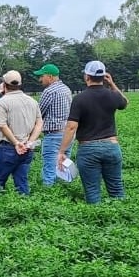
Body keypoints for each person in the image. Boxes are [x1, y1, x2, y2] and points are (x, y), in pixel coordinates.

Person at [58, 61, 129, 204]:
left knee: (92, 191)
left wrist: (62, 151)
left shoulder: (79, 99)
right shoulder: (112, 95)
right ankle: (121, 215)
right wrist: (112, 84)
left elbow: (71, 127)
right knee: (116, 189)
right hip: (111, 147)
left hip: (88, 149)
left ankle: (96, 215)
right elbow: (125, 103)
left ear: (87, 77)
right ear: (104, 77)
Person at [0, 70, 42, 195]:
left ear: (4, 84)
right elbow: (39, 123)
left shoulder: (2, 102)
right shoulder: (32, 101)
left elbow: (2, 125)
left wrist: (16, 143)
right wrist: (29, 142)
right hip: (27, 149)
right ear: (20, 84)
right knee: (22, 182)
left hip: (8, 148)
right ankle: (25, 204)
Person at [35, 63, 73, 186]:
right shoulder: (66, 89)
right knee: (63, 166)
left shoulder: (49, 91)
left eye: (42, 76)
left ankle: (48, 191)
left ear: (50, 77)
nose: (40, 79)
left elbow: (39, 113)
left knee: (50, 168)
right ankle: (63, 190)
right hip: (68, 133)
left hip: (53, 135)